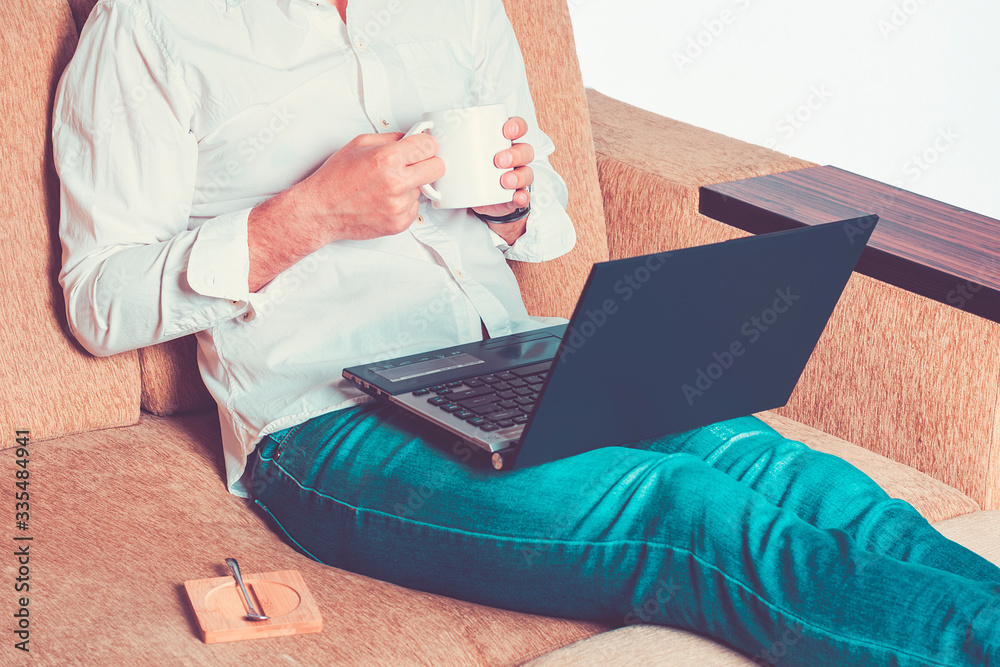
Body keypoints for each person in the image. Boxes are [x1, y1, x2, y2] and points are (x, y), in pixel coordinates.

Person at [53, 0, 999, 664]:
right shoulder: (149, 24)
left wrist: (512, 203)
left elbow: (543, 209)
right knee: (680, 511)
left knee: (792, 472)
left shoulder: (455, 5)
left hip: (518, 357)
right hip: (322, 420)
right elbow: (99, 300)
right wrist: (307, 217)